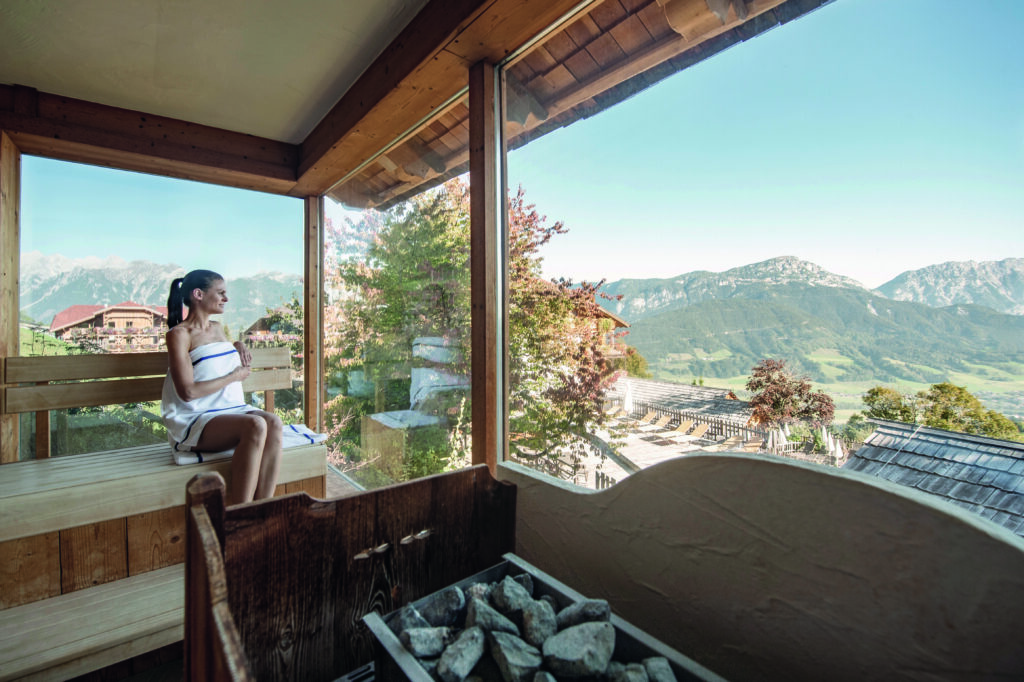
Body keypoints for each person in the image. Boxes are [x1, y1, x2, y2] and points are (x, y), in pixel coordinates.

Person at [161, 269, 283, 504]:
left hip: (228, 409)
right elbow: (188, 392)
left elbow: (214, 355)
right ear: (198, 294)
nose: (226, 299)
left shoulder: (217, 328)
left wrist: (237, 345)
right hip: (196, 417)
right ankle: (238, 514)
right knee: (256, 425)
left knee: (274, 422)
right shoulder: (179, 335)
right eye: (221, 293)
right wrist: (234, 376)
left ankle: (261, 509)